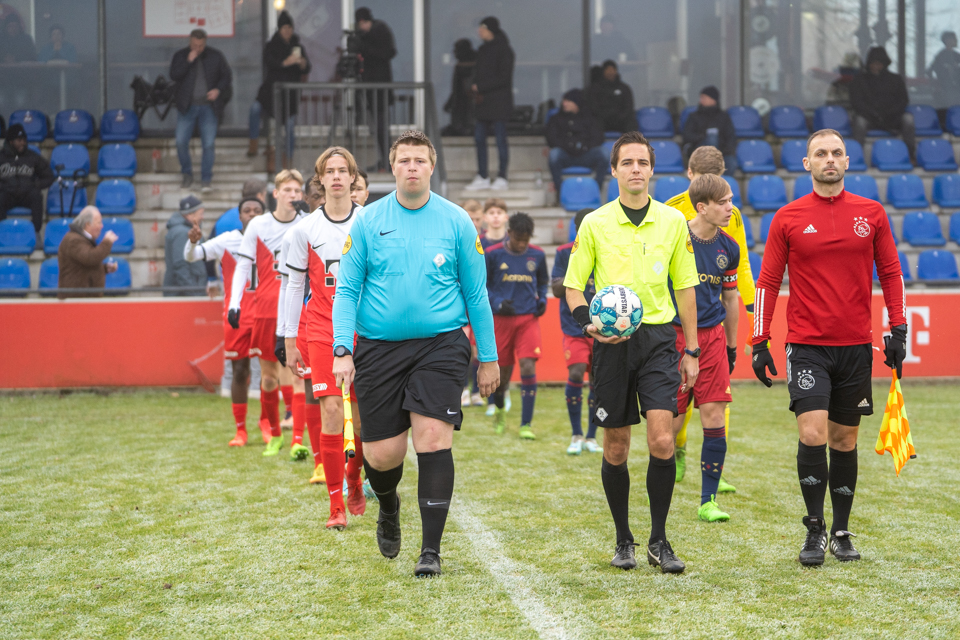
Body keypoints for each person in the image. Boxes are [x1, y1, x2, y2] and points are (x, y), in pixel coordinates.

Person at [331, 130, 500, 577]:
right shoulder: (368, 222)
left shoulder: (457, 220)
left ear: (432, 165)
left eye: (419, 160)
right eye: (403, 160)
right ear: (392, 167)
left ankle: (430, 552)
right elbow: (347, 289)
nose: (411, 167)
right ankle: (388, 503)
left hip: (441, 345)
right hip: (378, 349)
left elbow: (476, 293)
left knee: (432, 438)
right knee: (383, 456)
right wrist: (342, 349)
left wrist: (489, 356)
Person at [751, 128, 907, 566]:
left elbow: (891, 273)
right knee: (812, 432)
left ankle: (841, 530)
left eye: (837, 153)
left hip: (856, 345)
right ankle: (814, 528)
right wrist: (758, 340)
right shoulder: (787, 217)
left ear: (847, 161)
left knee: (844, 439)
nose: (830, 159)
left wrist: (900, 328)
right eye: (820, 153)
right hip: (807, 346)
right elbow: (767, 283)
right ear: (807, 164)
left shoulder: (872, 213)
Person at [563, 131, 700, 574]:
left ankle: (660, 539)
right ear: (614, 170)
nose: (636, 169)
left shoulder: (673, 222)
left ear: (652, 169)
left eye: (643, 162)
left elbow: (685, 288)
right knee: (617, 446)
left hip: (659, 339)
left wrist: (692, 349)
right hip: (612, 347)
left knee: (662, 439)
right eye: (627, 163)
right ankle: (624, 538)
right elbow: (571, 287)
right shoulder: (595, 223)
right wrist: (590, 325)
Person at [281, 147, 364, 529]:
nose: (335, 177)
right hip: (321, 327)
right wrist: (289, 337)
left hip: (368, 327)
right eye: (328, 171)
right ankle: (335, 506)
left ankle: (354, 480)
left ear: (352, 178)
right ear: (320, 179)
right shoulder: (304, 230)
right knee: (331, 409)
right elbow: (294, 285)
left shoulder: (369, 221)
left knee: (362, 418)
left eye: (342, 170)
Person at [664, 146, 753, 487]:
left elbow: (738, 264)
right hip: (675, 328)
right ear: (688, 176)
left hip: (712, 329)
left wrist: (749, 310)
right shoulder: (672, 212)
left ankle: (712, 480)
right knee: (676, 407)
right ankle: (678, 450)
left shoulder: (732, 219)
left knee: (716, 404)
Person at [668, 174, 740, 523]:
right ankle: (666, 478)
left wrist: (732, 345)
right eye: (724, 202)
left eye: (731, 200)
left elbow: (730, 297)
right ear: (702, 207)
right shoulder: (675, 238)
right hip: (674, 338)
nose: (730, 207)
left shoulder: (729, 247)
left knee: (714, 417)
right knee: (671, 421)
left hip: (711, 339)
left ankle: (707, 500)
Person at [228, 169, 304, 456]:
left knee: (295, 374)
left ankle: (297, 439)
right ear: (276, 194)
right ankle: (274, 435)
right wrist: (235, 302)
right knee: (269, 376)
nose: (293, 196)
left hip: (296, 310)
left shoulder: (308, 223)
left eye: (297, 191)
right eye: (288, 191)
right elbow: (243, 266)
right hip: (265, 309)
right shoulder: (259, 225)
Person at [184, 196, 264, 445]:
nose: (251, 214)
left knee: (271, 374)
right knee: (239, 370)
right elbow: (192, 256)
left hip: (267, 313)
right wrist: (191, 242)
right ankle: (241, 430)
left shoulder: (276, 238)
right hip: (236, 315)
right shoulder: (228, 240)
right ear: (239, 216)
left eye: (257, 210)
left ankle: (269, 426)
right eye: (247, 210)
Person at [485, 212, 548, 439]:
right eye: (518, 238)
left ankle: (526, 424)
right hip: (501, 321)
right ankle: (500, 411)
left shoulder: (538, 255)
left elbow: (542, 283)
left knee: (529, 367)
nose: (522, 244)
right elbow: (482, 286)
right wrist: (498, 302)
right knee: (500, 377)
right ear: (509, 233)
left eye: (526, 239)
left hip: (527, 319)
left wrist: (542, 299)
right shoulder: (492, 255)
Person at [552, 208, 600, 455]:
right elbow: (557, 289)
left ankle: (591, 436)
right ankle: (575, 433)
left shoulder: (606, 250)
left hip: (603, 327)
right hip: (574, 326)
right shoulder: (563, 253)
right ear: (579, 227)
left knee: (597, 381)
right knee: (577, 371)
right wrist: (577, 267)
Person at [170, 29, 232, 191]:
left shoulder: (215, 55)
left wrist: (218, 90)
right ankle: (187, 175)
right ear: (190, 42)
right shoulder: (181, 55)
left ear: (205, 42)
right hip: (187, 106)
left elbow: (227, 76)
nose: (198, 48)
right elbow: (174, 75)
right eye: (195, 45)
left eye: (201, 45)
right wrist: (188, 61)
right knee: (180, 141)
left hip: (208, 107)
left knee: (209, 144)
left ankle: (206, 180)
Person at [249, 11, 310, 162]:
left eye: (290, 28)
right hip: (270, 92)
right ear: (279, 29)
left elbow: (307, 68)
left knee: (289, 127)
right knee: (255, 109)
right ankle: (253, 143)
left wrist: (302, 63)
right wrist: (285, 62)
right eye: (284, 28)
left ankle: (287, 159)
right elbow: (269, 63)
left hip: (290, 96)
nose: (287, 31)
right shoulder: (271, 46)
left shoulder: (298, 46)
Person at [463, 17, 515, 192]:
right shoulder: (483, 50)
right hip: (483, 103)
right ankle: (483, 175)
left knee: (500, 139)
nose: (479, 31)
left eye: (482, 28)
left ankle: (502, 176)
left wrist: (481, 86)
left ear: (490, 29)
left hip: (499, 103)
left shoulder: (504, 50)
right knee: (479, 139)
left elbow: (504, 78)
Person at [850, 47, 915, 159]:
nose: (875, 67)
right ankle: (856, 156)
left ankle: (910, 155)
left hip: (892, 118)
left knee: (908, 119)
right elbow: (857, 102)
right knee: (859, 122)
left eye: (879, 64)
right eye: (873, 63)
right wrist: (873, 114)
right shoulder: (859, 80)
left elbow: (903, 101)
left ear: (884, 64)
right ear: (869, 64)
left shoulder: (896, 79)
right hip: (869, 118)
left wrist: (889, 113)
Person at [355, 7, 397, 171]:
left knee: (381, 126)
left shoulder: (380, 31)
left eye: (364, 23)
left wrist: (364, 47)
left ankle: (389, 161)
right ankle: (386, 160)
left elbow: (387, 52)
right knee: (377, 127)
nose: (362, 27)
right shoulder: (363, 36)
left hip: (380, 88)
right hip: (370, 88)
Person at [546, 89, 608, 194]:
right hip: (566, 156)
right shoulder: (556, 119)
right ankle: (561, 192)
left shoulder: (590, 118)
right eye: (564, 101)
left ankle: (596, 189)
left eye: (568, 101)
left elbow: (598, 138)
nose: (564, 104)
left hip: (586, 155)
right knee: (554, 154)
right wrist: (569, 146)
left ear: (576, 103)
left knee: (604, 153)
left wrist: (583, 146)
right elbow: (552, 139)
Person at [0, 124, 53, 233]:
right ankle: (2, 233)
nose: (22, 143)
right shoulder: (1, 157)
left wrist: (36, 185)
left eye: (24, 140)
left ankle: (34, 232)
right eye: (19, 140)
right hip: (7, 193)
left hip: (27, 194)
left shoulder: (32, 157)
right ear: (11, 141)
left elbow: (49, 176)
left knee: (37, 196)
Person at [56, 206, 118, 299]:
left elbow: (83, 265)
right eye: (99, 222)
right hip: (76, 302)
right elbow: (90, 258)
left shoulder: (81, 239)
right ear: (88, 224)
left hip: (84, 299)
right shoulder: (74, 240)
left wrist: (103, 268)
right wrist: (107, 243)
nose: (102, 226)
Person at [681, 86, 737, 173]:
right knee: (712, 138)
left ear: (713, 99)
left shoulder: (724, 117)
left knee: (731, 163)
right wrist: (702, 137)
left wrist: (724, 151)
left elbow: (730, 137)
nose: (701, 100)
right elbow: (687, 135)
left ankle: (721, 185)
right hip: (700, 152)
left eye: (704, 98)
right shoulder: (694, 116)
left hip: (721, 153)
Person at [163, 195, 207, 296]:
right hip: (183, 296)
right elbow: (180, 265)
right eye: (200, 214)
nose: (202, 217)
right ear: (190, 215)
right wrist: (194, 294)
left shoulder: (185, 231)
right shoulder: (182, 233)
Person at [587, 60, 636, 134]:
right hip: (602, 121)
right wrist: (606, 116)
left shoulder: (624, 88)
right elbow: (593, 107)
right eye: (608, 70)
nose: (610, 72)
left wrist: (618, 117)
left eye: (613, 70)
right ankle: (596, 145)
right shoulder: (595, 88)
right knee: (593, 124)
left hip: (620, 120)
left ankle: (629, 145)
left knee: (631, 124)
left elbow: (628, 107)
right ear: (603, 71)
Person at [442, 38, 477, 136]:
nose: (454, 53)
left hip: (467, 102)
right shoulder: (470, 64)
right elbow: (457, 89)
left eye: (456, 49)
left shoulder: (464, 66)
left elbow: (458, 88)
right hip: (464, 102)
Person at [928, 31, 960, 113]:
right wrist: (935, 85)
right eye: (954, 39)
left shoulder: (956, 55)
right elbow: (930, 70)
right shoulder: (941, 55)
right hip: (946, 90)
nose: (956, 40)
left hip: (957, 89)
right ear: (947, 40)